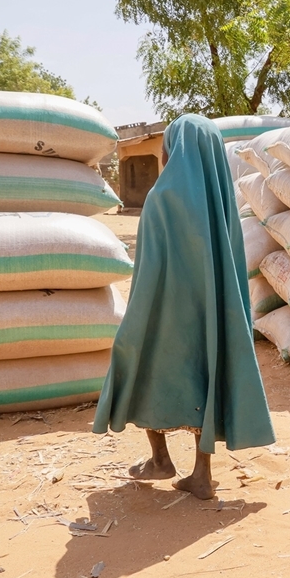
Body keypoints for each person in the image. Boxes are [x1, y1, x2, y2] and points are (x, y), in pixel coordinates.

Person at [93, 114, 275, 500]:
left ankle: (160, 459)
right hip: (210, 317)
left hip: (164, 316)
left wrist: (136, 323)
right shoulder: (223, 203)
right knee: (207, 375)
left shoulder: (161, 199)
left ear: (171, 151)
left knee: (142, 367)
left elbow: (147, 272)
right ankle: (202, 474)